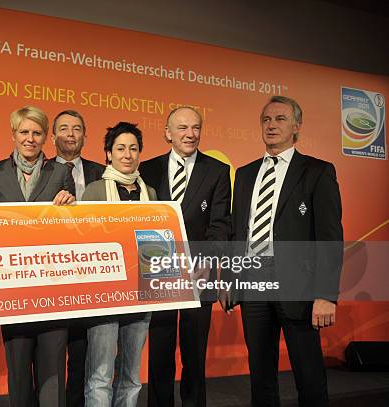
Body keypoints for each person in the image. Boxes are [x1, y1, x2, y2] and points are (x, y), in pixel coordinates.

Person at [228, 96, 343, 406]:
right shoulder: (245, 173)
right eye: (266, 119)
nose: (271, 125)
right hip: (254, 287)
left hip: (300, 291)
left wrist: (326, 294)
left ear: (296, 127)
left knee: (309, 377)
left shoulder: (318, 172)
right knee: (260, 377)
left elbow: (330, 237)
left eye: (280, 119)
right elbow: (239, 232)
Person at [139, 106, 231, 407]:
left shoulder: (217, 171)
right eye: (182, 128)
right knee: (160, 353)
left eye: (196, 127)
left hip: (199, 274)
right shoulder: (147, 169)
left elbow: (220, 225)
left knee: (194, 355)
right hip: (158, 274)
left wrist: (208, 262)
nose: (190, 134)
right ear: (168, 133)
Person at [0, 105, 75, 407]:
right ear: (13, 134)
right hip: (14, 290)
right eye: (24, 132)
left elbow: (73, 229)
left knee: (53, 374)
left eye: (37, 132)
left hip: (54, 289)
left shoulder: (62, 171)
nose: (30, 138)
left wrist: (72, 205)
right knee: (19, 374)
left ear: (45, 138)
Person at [82, 121, 156, 407]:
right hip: (105, 296)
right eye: (121, 148)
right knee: (100, 375)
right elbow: (85, 244)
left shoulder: (150, 192)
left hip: (142, 295)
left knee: (132, 377)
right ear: (109, 154)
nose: (127, 154)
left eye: (133, 148)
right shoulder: (94, 192)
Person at [49, 109, 104, 407]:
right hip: (54, 275)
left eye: (77, 129)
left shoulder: (102, 172)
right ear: (53, 135)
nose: (71, 134)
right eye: (64, 128)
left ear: (85, 135)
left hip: (93, 275)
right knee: (53, 354)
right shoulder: (39, 171)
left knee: (84, 353)